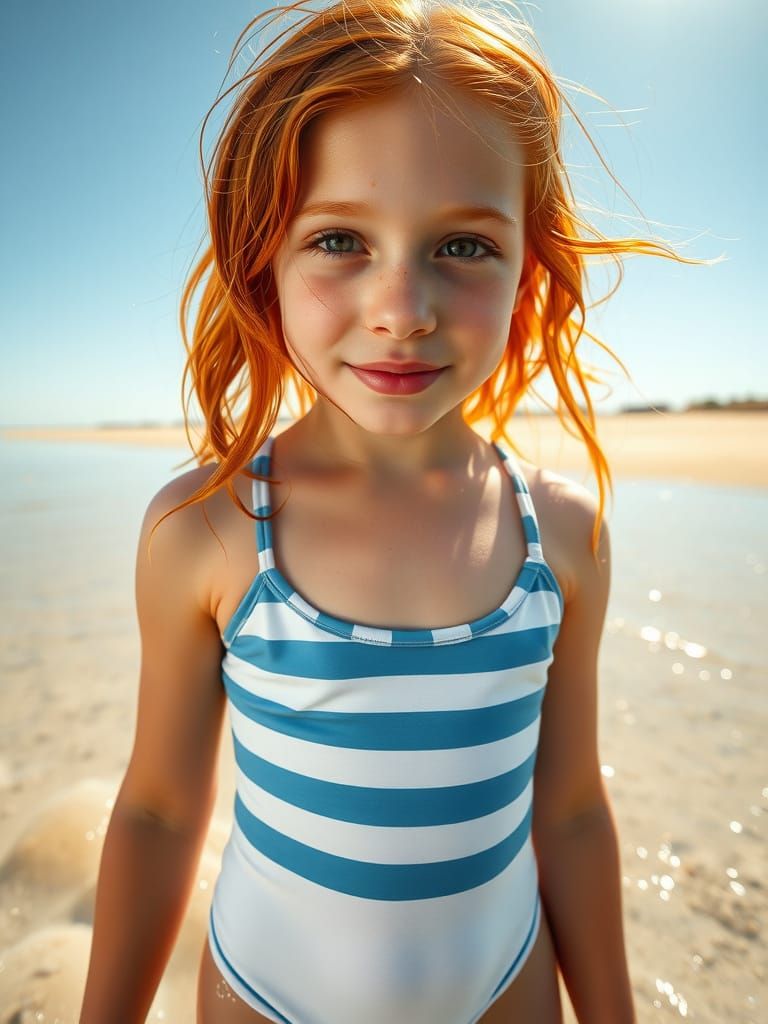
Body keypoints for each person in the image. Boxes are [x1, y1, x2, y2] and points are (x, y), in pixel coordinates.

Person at [79, 1, 706, 1021]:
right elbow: (156, 811)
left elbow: (573, 813)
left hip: (505, 984)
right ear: (263, 261)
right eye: (339, 239)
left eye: (463, 246)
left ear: (530, 265)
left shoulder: (563, 533)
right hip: (266, 992)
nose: (402, 309)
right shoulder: (209, 528)